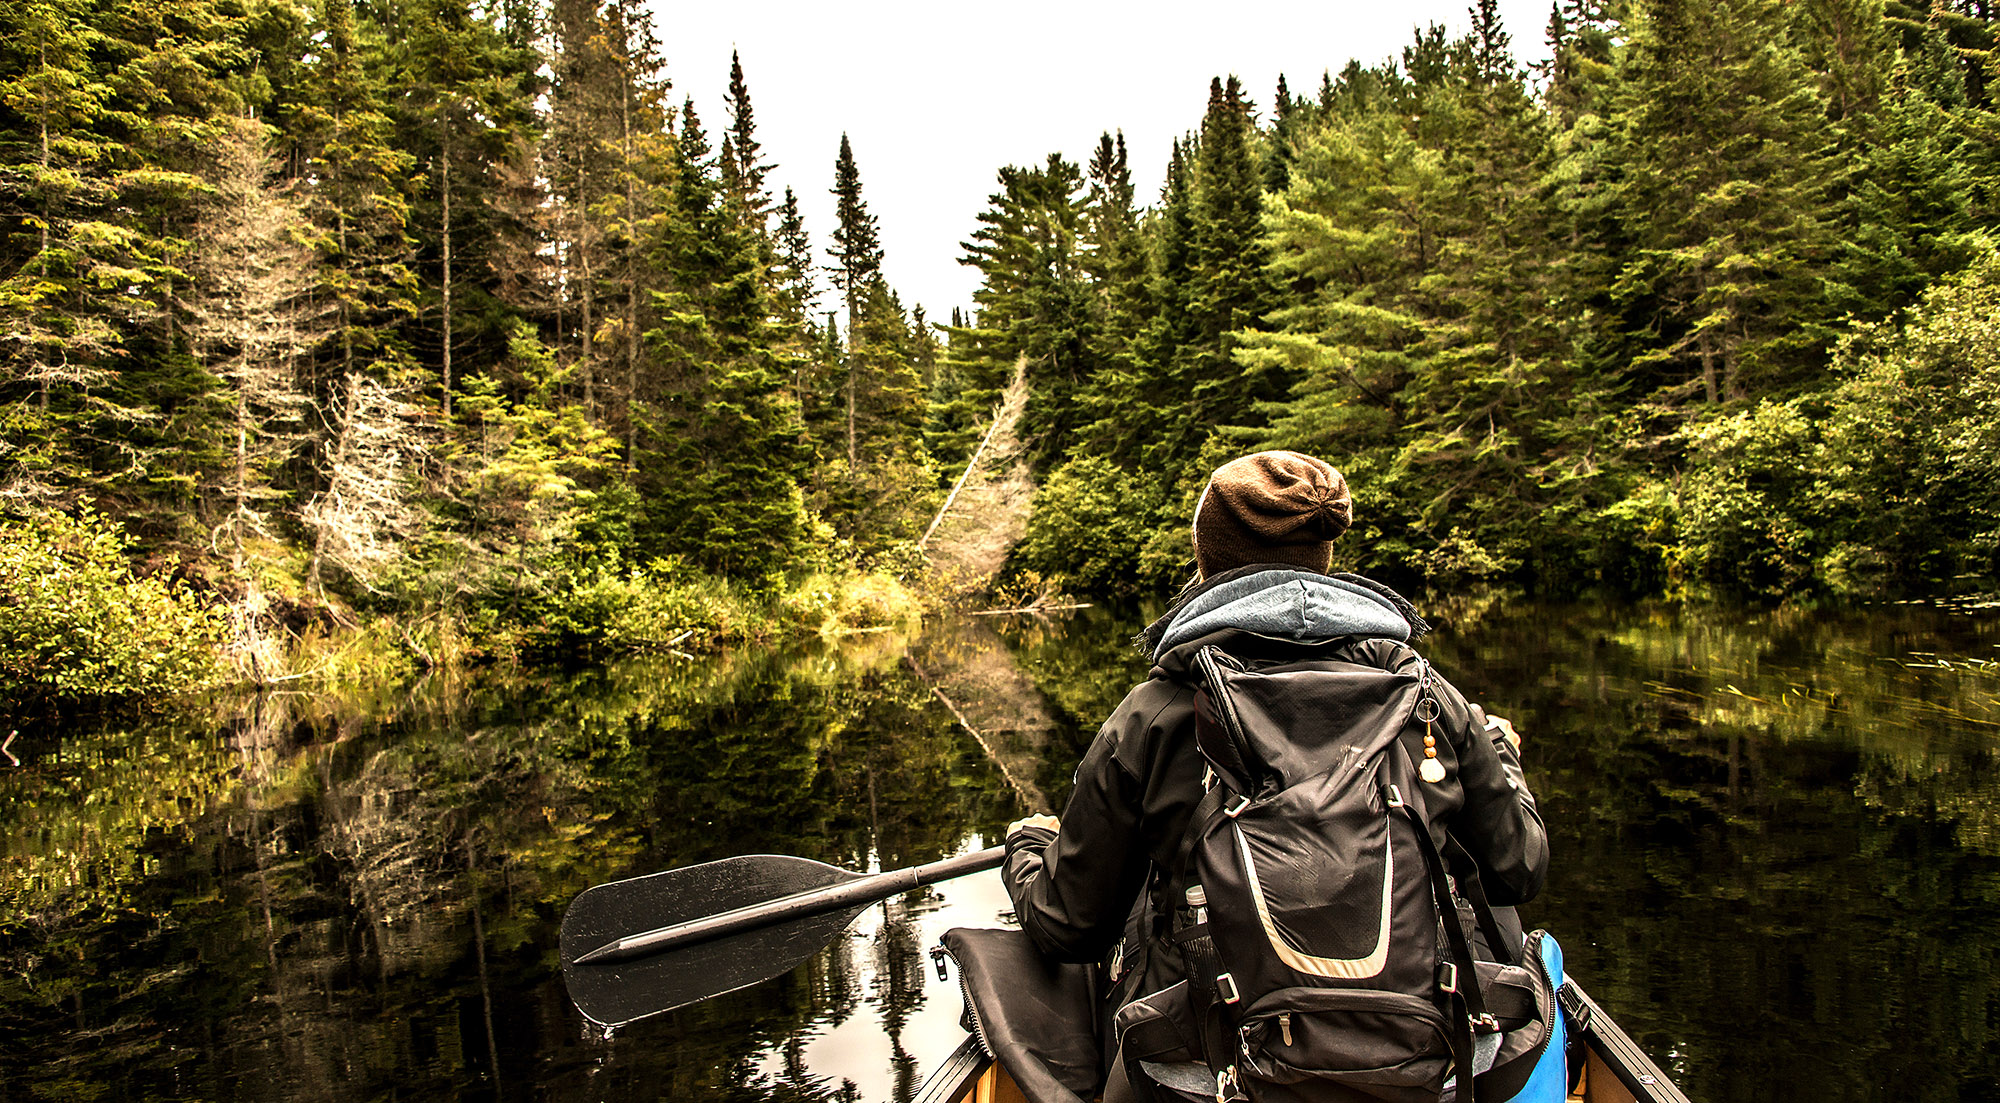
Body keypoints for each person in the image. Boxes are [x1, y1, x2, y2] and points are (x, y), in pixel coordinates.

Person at [1000, 450, 1549, 1102]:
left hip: (1202, 1075)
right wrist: (1500, 754)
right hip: (1432, 1060)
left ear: (1208, 561)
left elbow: (1071, 927)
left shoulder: (1154, 713)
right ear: (1323, 559)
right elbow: (1518, 868)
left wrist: (1028, 849)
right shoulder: (1426, 696)